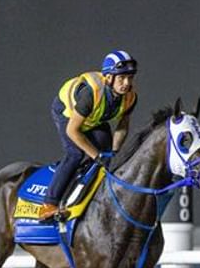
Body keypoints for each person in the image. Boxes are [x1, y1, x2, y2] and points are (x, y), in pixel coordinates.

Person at [38, 50, 139, 221]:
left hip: (93, 118)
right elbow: (72, 131)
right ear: (108, 77)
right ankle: (49, 203)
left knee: (107, 155)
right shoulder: (91, 94)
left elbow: (122, 126)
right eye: (121, 78)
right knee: (75, 154)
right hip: (68, 114)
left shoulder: (130, 97)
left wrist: (114, 152)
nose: (126, 83)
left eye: (130, 77)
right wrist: (96, 156)